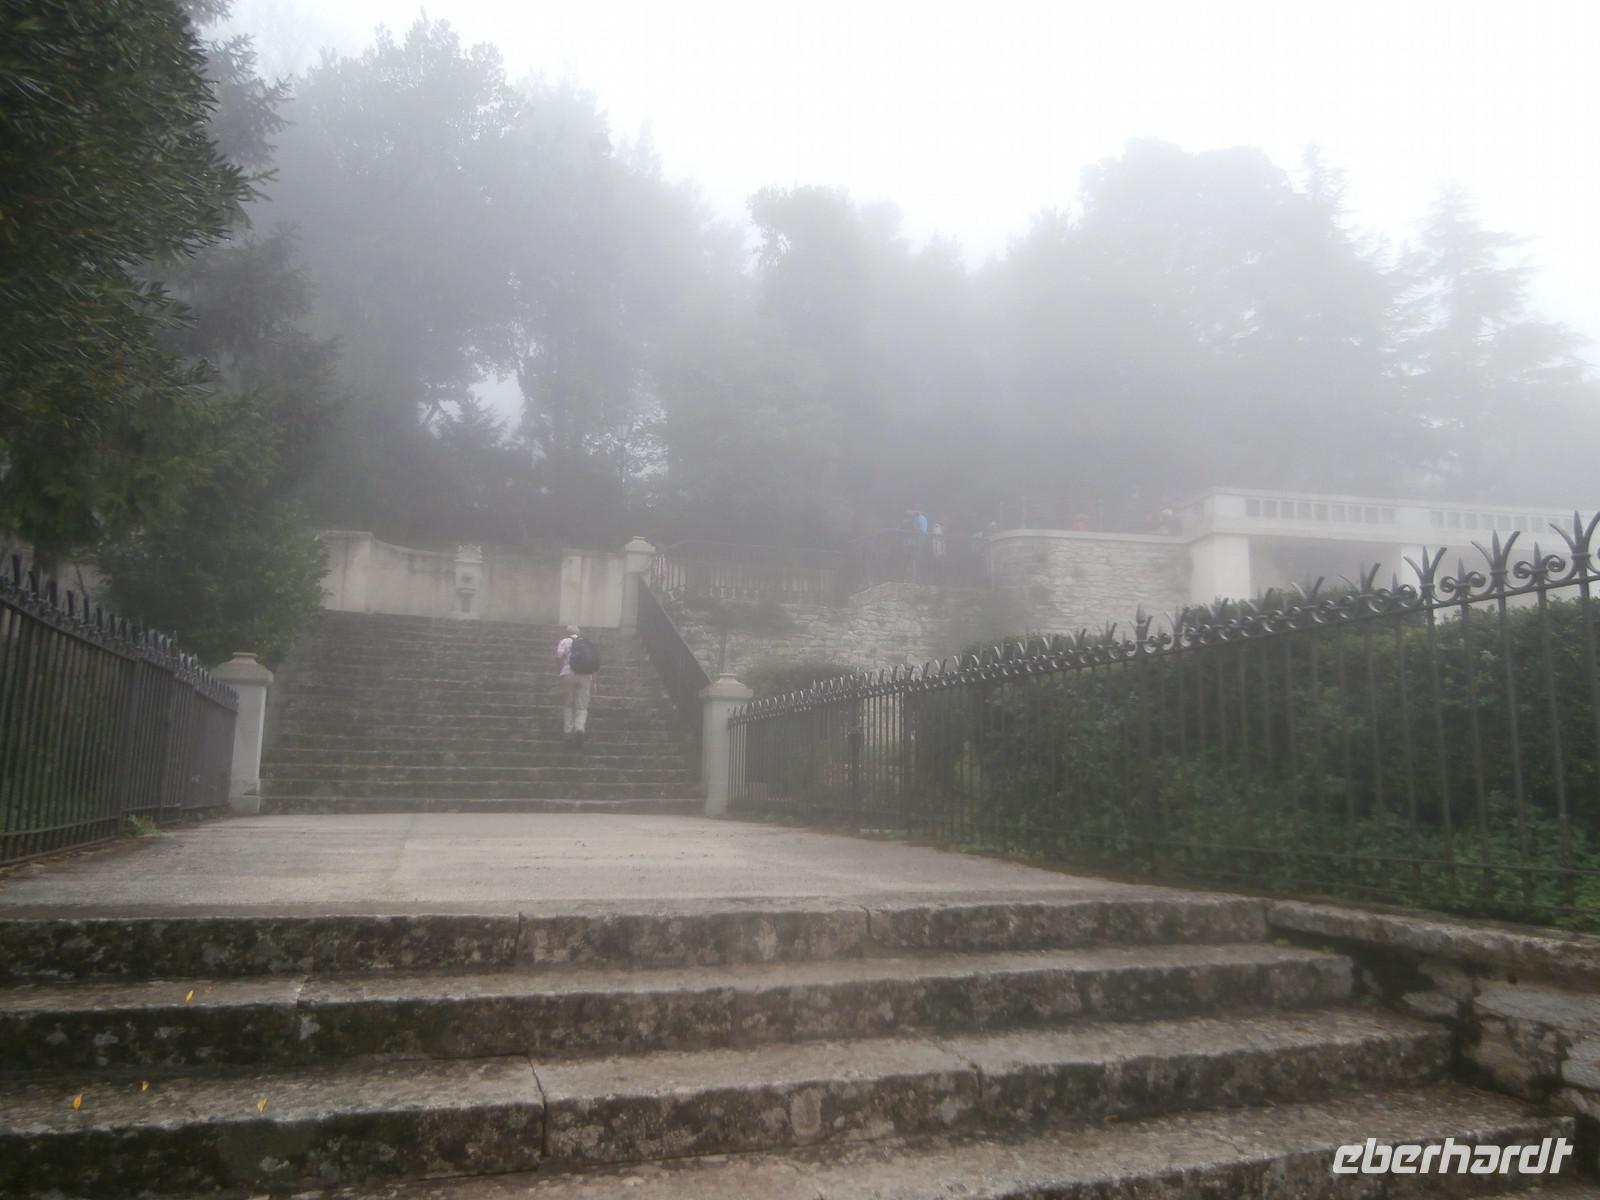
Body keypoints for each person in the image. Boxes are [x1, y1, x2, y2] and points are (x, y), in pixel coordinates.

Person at [555, 624, 596, 749]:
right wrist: (594, 682)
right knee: (582, 706)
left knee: (568, 704)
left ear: (567, 632)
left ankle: (568, 731)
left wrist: (561, 671)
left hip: (568, 674)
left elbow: (559, 657)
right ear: (579, 633)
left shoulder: (565, 641)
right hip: (585, 676)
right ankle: (579, 728)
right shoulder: (587, 643)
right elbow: (595, 664)